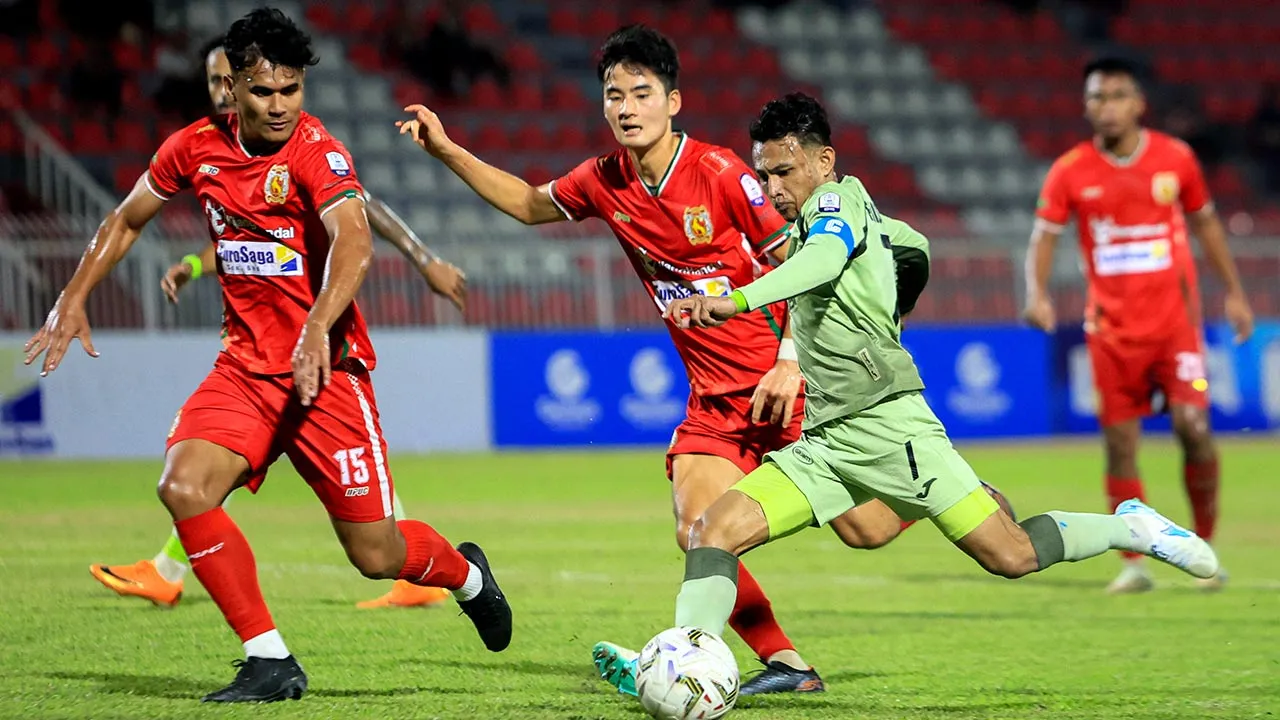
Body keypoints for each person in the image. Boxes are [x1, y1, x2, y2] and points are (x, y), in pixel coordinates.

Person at [397, 24, 1013, 697]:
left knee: (866, 532)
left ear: (674, 102)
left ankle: (960, 501)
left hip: (788, 386)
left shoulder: (722, 176)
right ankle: (785, 664)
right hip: (715, 401)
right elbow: (526, 203)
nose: (627, 107)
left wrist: (790, 359)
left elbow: (808, 268)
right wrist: (448, 150)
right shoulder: (604, 181)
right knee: (698, 530)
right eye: (614, 95)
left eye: (642, 93)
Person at [641, 93, 1218, 693]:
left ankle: (1133, 528)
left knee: (1011, 555)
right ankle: (689, 666)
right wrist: (894, 300)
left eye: (783, 170)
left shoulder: (837, 202)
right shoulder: (826, 221)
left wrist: (733, 299)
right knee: (712, 531)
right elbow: (914, 244)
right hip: (825, 441)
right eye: (763, 173)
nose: (772, 185)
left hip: (894, 430)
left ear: (823, 161)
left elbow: (824, 260)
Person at [24, 8, 511, 703]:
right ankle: (269, 659)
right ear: (234, 90)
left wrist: (317, 324)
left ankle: (467, 577)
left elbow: (354, 240)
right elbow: (127, 217)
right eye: (263, 92)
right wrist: (73, 295)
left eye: (291, 90)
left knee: (376, 554)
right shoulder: (194, 148)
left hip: (326, 377)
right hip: (247, 372)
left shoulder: (319, 152)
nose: (279, 106)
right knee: (183, 486)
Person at [88, 32, 468, 612]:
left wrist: (422, 259)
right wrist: (192, 263)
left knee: (372, 540)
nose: (255, 98)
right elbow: (246, 241)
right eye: (219, 83)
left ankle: (426, 570)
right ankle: (191, 587)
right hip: (253, 361)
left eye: (285, 88)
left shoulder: (306, 150)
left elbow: (358, 218)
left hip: (321, 354)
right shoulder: (202, 150)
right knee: (200, 477)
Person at [1023, 57, 1253, 594]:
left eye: (1117, 96)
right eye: (1097, 98)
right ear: (1086, 106)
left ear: (1139, 103)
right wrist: (1035, 292)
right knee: (1120, 446)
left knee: (1194, 430)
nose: (1107, 107)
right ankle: (1133, 561)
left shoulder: (1176, 160)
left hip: (1176, 330)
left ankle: (1203, 547)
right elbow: (1044, 236)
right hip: (1111, 334)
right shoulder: (1070, 170)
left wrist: (1236, 292)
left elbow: (1207, 225)